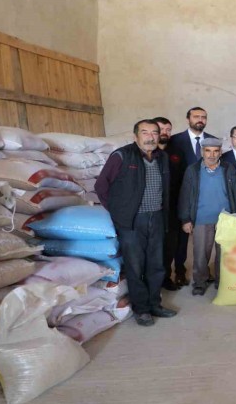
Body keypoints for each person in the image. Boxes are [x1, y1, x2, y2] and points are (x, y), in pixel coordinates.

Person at [96, 119, 177, 327]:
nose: (150, 137)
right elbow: (101, 186)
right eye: (145, 132)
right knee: (135, 266)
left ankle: (155, 304)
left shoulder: (162, 157)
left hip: (157, 218)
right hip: (132, 221)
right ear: (135, 136)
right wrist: (118, 212)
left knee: (157, 265)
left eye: (154, 133)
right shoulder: (122, 156)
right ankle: (141, 310)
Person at [179, 138, 236, 296]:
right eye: (208, 151)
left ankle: (222, 281)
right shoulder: (193, 170)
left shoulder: (228, 168)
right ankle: (200, 282)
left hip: (226, 219)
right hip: (201, 218)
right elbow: (185, 196)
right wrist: (185, 219)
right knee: (200, 254)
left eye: (215, 151)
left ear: (220, 152)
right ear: (202, 152)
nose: (212, 155)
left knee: (224, 254)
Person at [168, 107, 217, 287]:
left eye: (203, 117)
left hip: (206, 196)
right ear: (188, 119)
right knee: (182, 238)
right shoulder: (175, 141)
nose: (200, 119)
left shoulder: (212, 140)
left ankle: (204, 271)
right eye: (196, 116)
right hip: (183, 194)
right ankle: (179, 271)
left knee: (207, 239)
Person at [153, 116, 186, 291]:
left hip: (172, 208)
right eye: (161, 129)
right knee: (153, 246)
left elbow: (184, 181)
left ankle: (166, 277)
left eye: (168, 130)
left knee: (170, 245)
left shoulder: (177, 152)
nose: (165, 133)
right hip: (152, 208)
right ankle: (152, 280)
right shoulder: (146, 152)